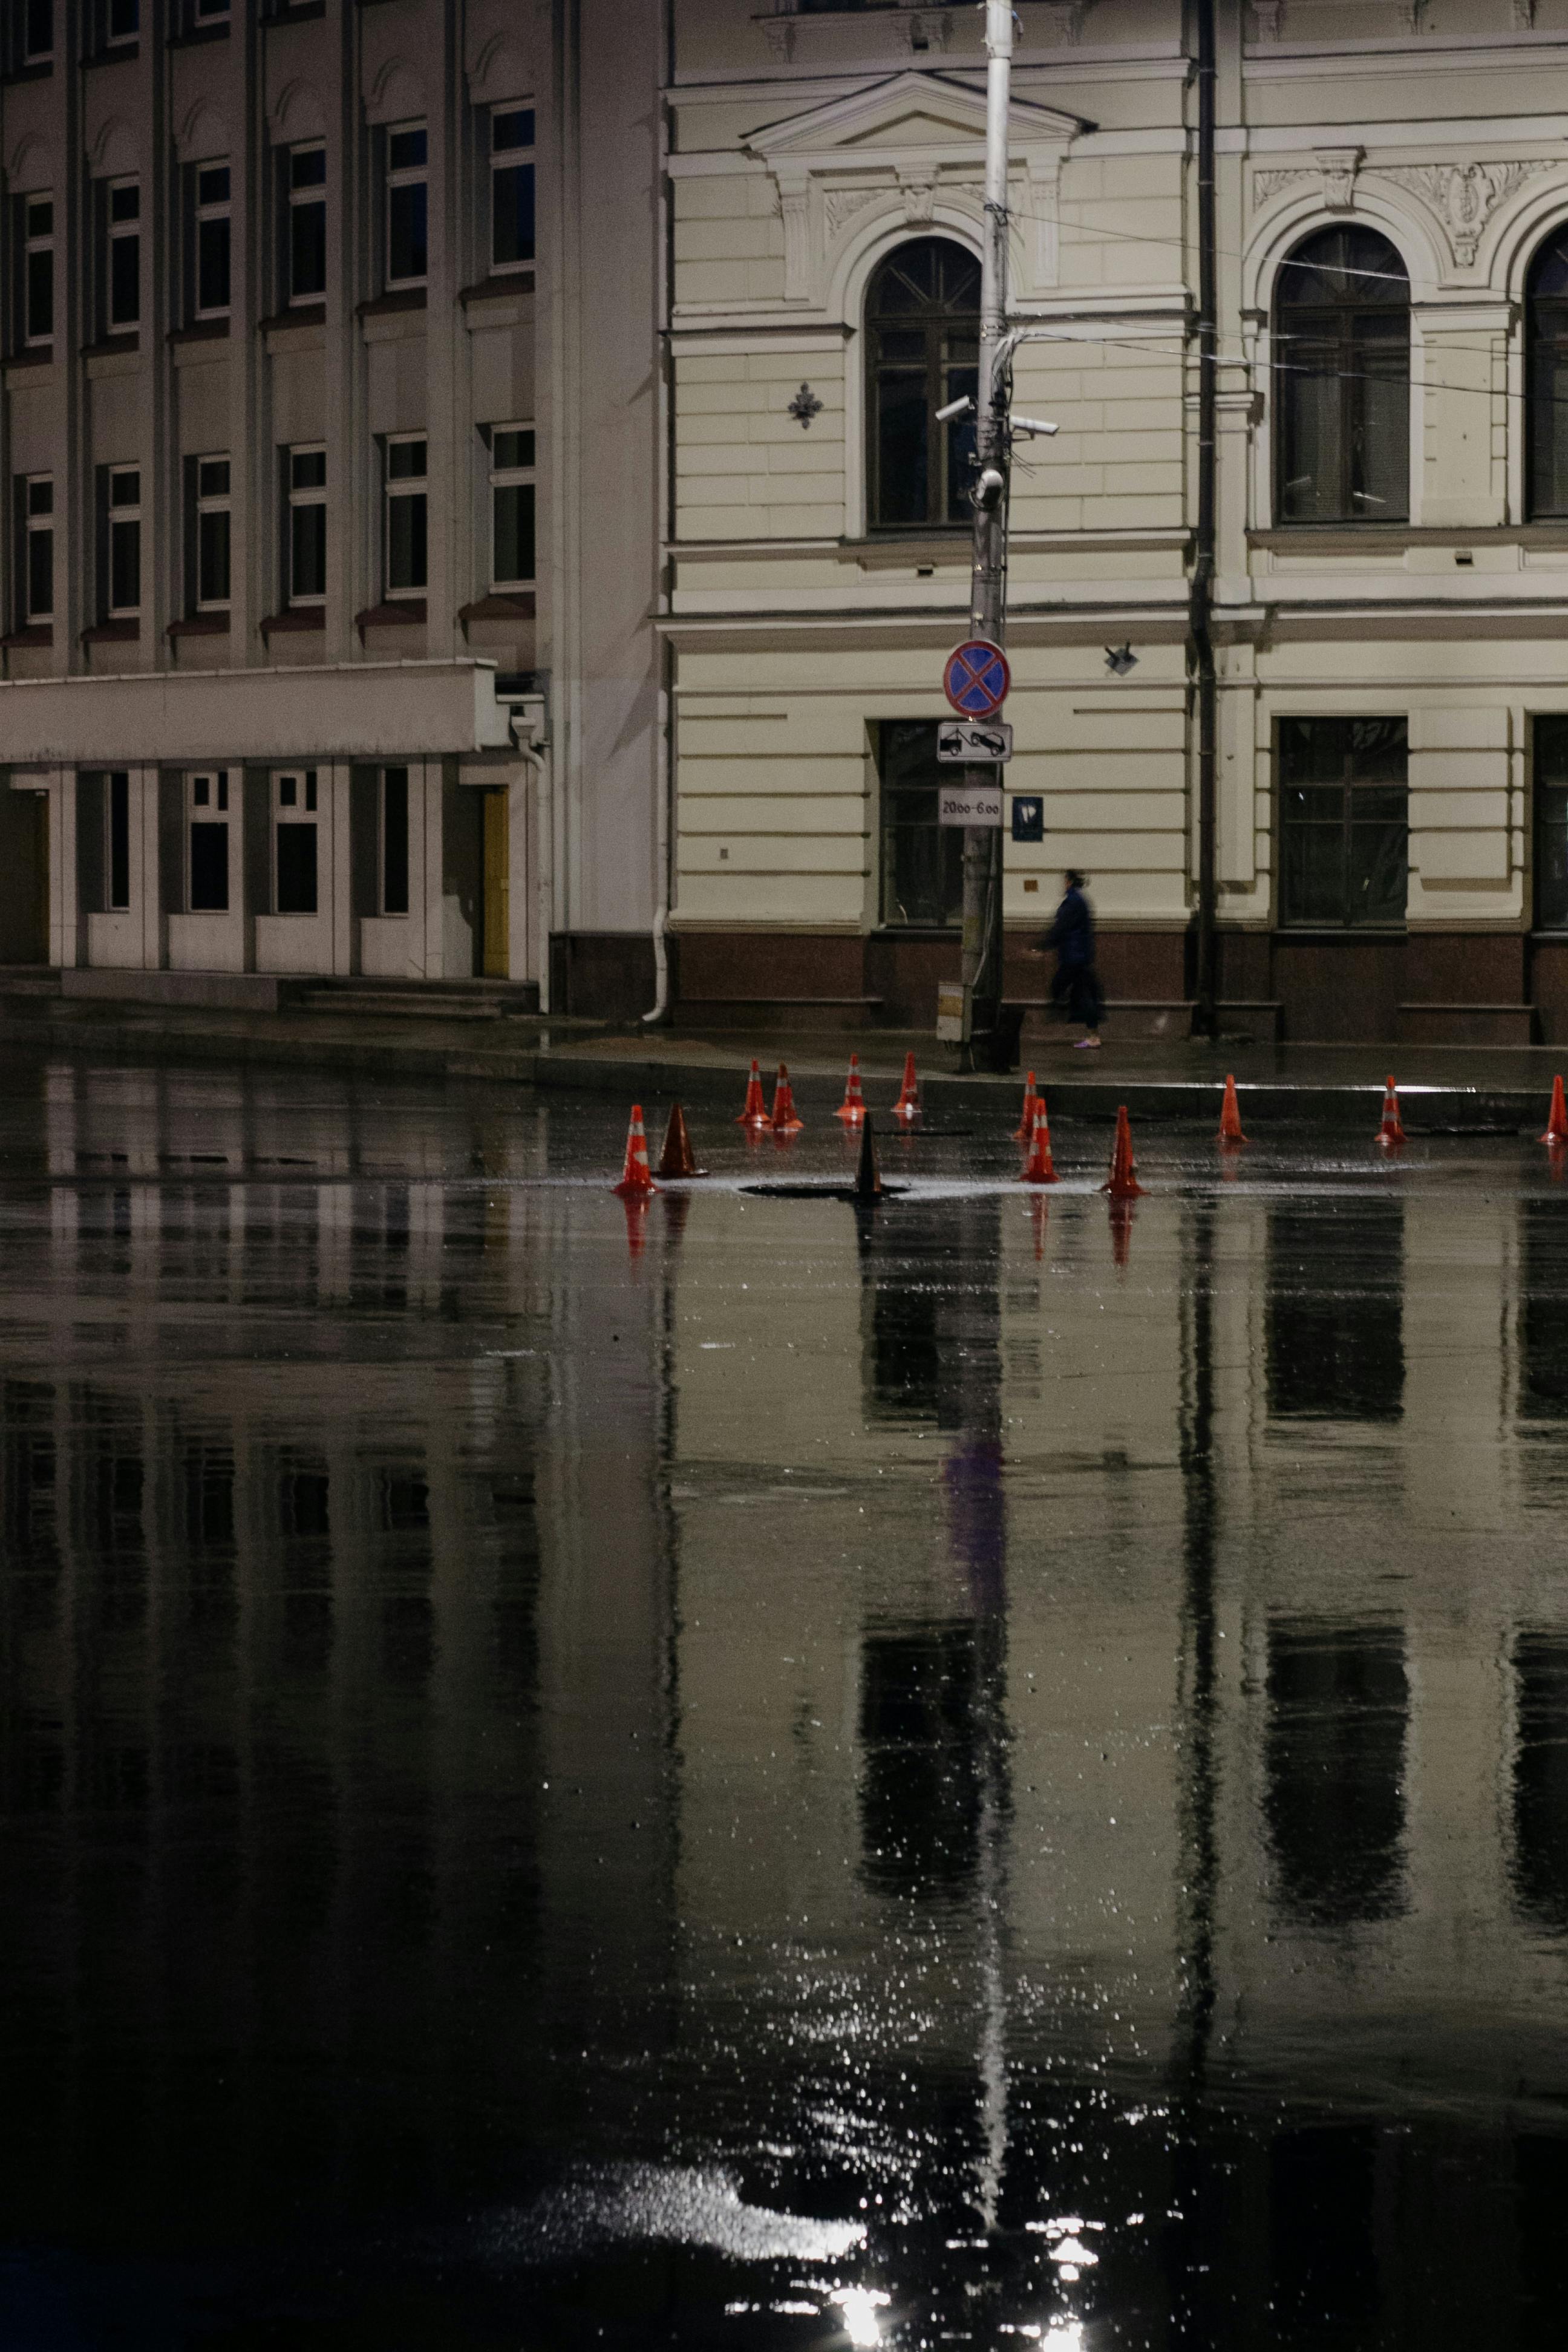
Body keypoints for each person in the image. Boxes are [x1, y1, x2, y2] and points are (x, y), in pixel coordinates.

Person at [1029, 870, 1105, 1049]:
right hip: (1079, 955)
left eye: (1065, 881)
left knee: (1059, 986)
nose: (1063, 884)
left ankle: (1062, 1010)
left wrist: (1041, 946)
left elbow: (1060, 928)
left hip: (1074, 956)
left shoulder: (1073, 902)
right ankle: (1092, 1035)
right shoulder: (1080, 900)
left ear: (1069, 881)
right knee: (1084, 995)